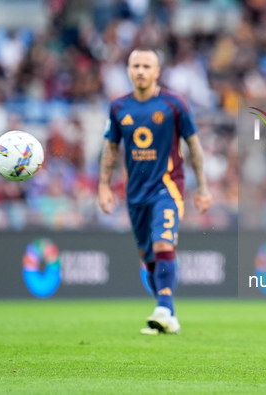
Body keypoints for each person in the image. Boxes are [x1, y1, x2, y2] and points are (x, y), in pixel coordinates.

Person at [98, 47, 212, 335]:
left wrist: (202, 186)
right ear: (128, 70)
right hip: (135, 193)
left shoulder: (174, 104)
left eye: (147, 66)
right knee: (149, 258)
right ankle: (168, 314)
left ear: (157, 72)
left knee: (163, 243)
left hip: (168, 187)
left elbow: (194, 145)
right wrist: (103, 185)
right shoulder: (118, 107)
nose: (140, 71)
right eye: (135, 65)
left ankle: (163, 308)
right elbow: (111, 147)